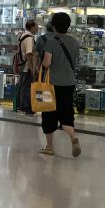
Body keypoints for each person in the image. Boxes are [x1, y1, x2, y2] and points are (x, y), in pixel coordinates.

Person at [39, 12, 81, 158]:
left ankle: (49, 147)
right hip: (69, 83)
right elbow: (75, 61)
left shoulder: (51, 42)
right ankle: (73, 137)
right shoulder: (75, 42)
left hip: (51, 85)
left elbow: (47, 63)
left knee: (48, 114)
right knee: (66, 113)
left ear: (53, 25)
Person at [16, 19, 38, 115]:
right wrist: (32, 67)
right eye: (37, 26)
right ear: (32, 27)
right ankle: (26, 108)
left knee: (22, 86)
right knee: (27, 88)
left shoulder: (23, 35)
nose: (38, 28)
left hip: (22, 65)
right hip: (26, 66)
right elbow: (29, 53)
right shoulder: (29, 38)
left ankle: (20, 106)